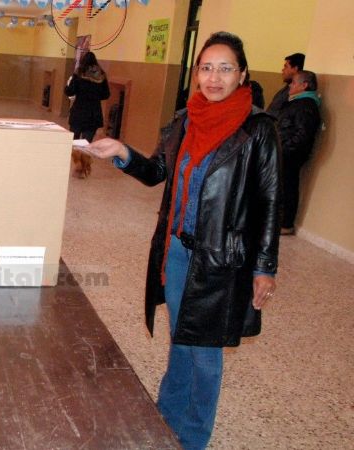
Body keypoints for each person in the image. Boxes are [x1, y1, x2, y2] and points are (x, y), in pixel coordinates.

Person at [86, 32, 280, 450]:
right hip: (176, 251)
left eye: (225, 68)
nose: (214, 77)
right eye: (206, 67)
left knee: (204, 355)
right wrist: (122, 151)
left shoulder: (258, 130)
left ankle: (192, 437)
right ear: (196, 74)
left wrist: (265, 267)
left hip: (221, 262)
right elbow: (158, 171)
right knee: (182, 339)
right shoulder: (185, 120)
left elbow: (269, 203)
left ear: (242, 74)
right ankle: (167, 416)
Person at [277, 70, 321, 235]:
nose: (290, 85)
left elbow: (302, 135)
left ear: (304, 85)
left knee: (288, 187)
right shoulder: (296, 103)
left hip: (290, 155)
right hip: (285, 152)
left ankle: (286, 224)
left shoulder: (306, 105)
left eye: (294, 82)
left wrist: (284, 149)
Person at [65, 51, 110, 142]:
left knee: (74, 141)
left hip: (78, 112)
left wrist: (67, 85)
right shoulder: (101, 74)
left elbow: (69, 92)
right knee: (86, 143)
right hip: (93, 114)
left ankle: (74, 156)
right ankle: (84, 156)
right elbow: (106, 94)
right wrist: (95, 95)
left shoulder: (78, 74)